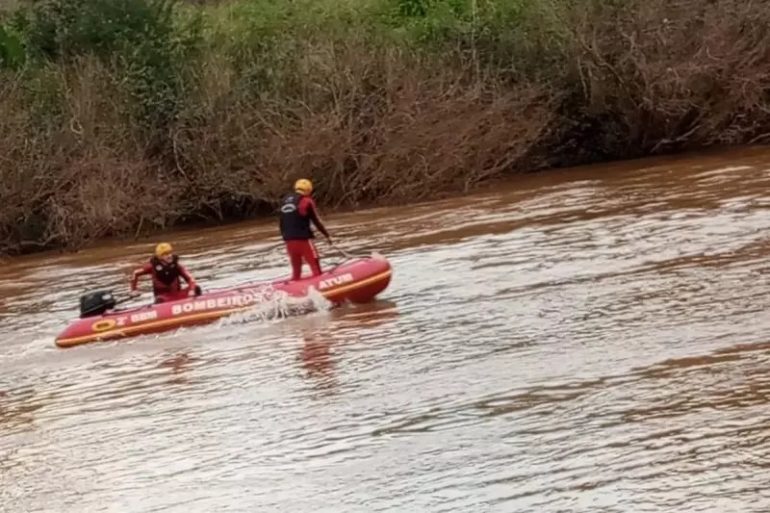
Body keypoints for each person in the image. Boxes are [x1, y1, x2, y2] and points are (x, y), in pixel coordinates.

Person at [279, 178, 332, 280]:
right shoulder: (306, 201)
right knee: (315, 265)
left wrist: (286, 238)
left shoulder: (284, 201)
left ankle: (294, 289)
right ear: (308, 190)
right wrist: (327, 236)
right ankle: (320, 287)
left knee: (296, 270)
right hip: (304, 241)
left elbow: (282, 223)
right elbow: (316, 221)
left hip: (289, 241)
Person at [129, 242, 200, 303]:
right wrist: (133, 290)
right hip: (163, 297)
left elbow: (190, 279)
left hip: (178, 295)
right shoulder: (152, 267)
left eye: (170, 253)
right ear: (159, 257)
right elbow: (135, 273)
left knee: (196, 288)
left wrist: (192, 290)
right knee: (159, 300)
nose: (169, 256)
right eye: (165, 254)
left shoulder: (177, 266)